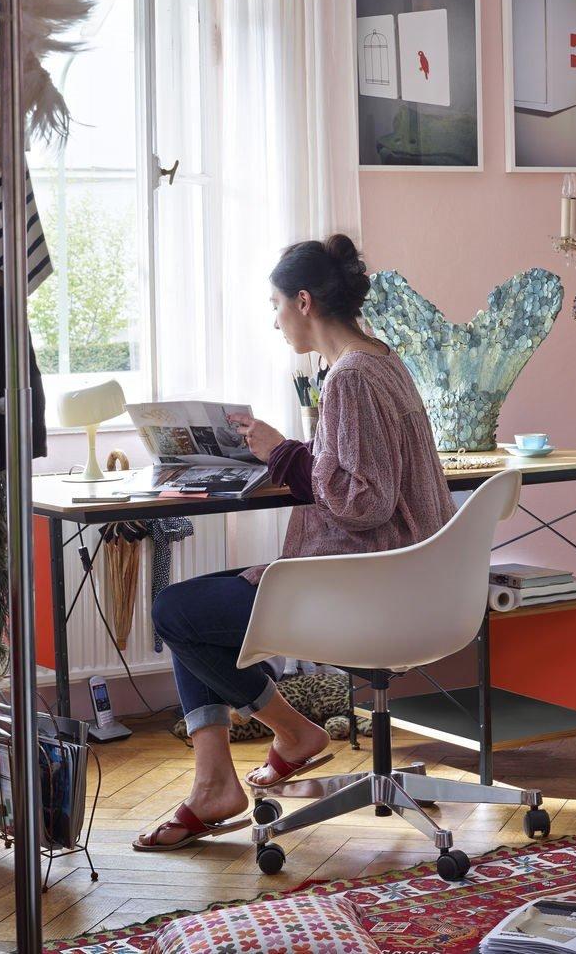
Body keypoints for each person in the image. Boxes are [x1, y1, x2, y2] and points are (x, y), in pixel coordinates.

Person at [134, 234, 454, 850]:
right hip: (401, 579)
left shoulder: (350, 378)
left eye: (276, 305)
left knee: (176, 611)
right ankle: (226, 775)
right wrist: (283, 452)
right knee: (193, 608)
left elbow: (365, 500)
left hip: (369, 589)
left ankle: (280, 741)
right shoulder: (382, 362)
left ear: (303, 302)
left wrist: (283, 453)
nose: (275, 320)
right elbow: (362, 473)